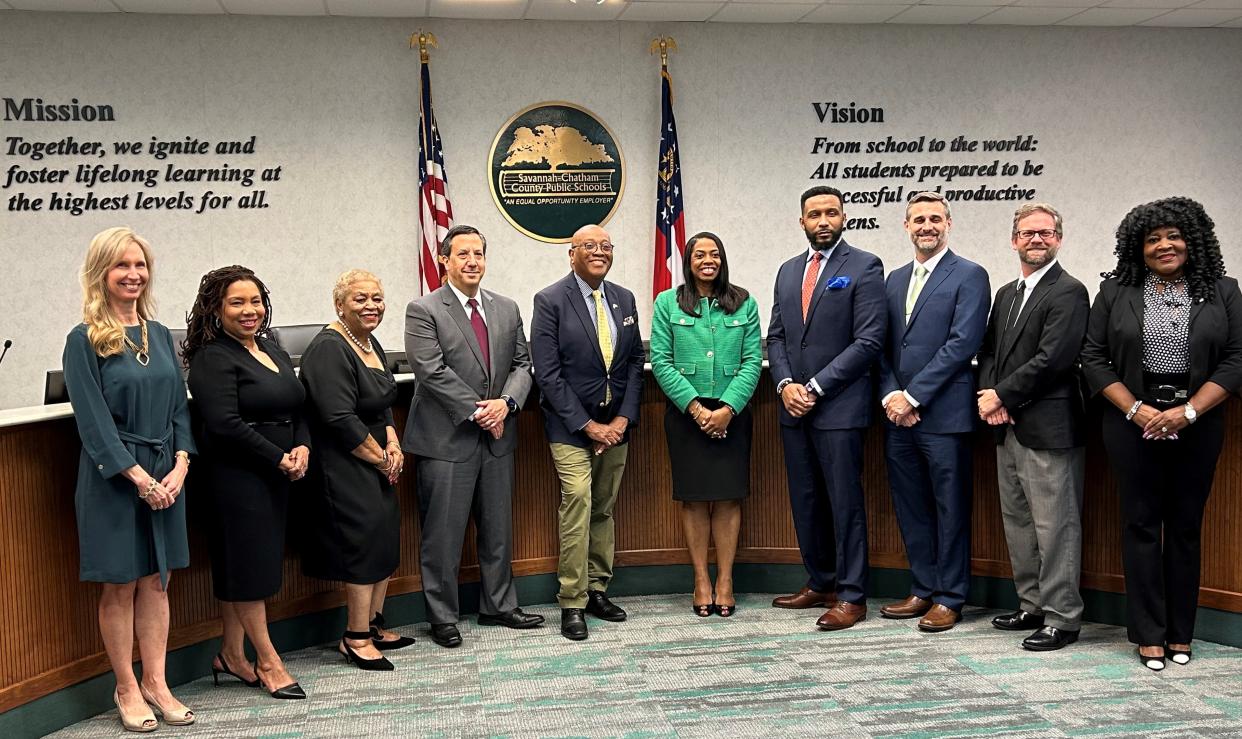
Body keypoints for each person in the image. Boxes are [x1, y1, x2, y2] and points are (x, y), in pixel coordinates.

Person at [1080, 196, 1242, 671]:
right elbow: (1093, 356)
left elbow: (1236, 359)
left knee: (1186, 528)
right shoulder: (1115, 292)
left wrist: (1188, 412)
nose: (1164, 245)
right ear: (1137, 246)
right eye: (1153, 238)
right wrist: (1136, 411)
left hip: (1200, 422)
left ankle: (1180, 634)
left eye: (1174, 236)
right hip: (1131, 423)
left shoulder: (1223, 290)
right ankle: (1148, 634)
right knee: (1141, 525)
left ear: (1193, 241)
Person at [62, 226, 196, 731]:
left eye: (140, 265)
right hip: (115, 483)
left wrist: (181, 465)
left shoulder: (160, 334)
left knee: (157, 584)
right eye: (122, 265)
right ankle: (125, 687)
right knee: (120, 587)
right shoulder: (83, 340)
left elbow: (181, 409)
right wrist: (140, 478)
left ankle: (157, 683)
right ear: (101, 273)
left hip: (169, 477)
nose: (133, 274)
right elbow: (93, 425)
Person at [402, 225, 543, 649]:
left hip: (498, 437)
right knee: (443, 534)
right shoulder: (423, 309)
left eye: (478, 253)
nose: (471, 261)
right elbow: (431, 369)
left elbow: (523, 364)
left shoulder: (506, 307)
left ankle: (498, 605)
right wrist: (481, 412)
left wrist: (507, 404)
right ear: (444, 261)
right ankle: (442, 616)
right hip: (446, 441)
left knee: (498, 529)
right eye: (462, 254)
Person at [183, 266, 309, 698]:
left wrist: (303, 447)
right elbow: (224, 424)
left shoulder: (270, 346)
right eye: (237, 302)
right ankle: (269, 662)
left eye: (255, 301)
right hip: (236, 478)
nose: (249, 310)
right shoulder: (211, 357)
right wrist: (279, 457)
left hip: (277, 475)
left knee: (251, 567)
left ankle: (231, 655)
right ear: (216, 309)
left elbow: (298, 406)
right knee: (248, 569)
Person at [766, 187, 886, 631]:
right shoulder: (788, 270)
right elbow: (776, 336)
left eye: (830, 213)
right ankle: (821, 581)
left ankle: (852, 596)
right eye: (813, 214)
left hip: (839, 406)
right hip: (793, 408)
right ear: (801, 221)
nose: (822, 220)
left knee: (844, 503)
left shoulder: (864, 266)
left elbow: (869, 341)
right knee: (806, 500)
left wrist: (814, 386)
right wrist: (783, 384)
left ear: (843, 218)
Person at [976, 204, 1090, 651]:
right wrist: (992, 398)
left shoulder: (1069, 291)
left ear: (1059, 238)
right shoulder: (1006, 293)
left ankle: (1064, 618)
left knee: (1055, 525)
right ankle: (1032, 605)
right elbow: (987, 353)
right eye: (1027, 233)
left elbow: (1054, 358)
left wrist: (1001, 395)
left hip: (1050, 428)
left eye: (1045, 232)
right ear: (1014, 240)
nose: (1036, 239)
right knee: (1019, 521)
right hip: (1006, 427)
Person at [879, 191, 990, 632]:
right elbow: (881, 346)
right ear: (906, 226)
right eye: (919, 219)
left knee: (949, 508)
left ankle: (950, 596)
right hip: (897, 418)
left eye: (935, 219)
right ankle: (923, 587)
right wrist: (892, 396)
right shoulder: (893, 279)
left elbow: (962, 344)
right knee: (911, 506)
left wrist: (913, 397)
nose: (927, 226)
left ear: (949, 224)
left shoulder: (970, 275)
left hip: (944, 417)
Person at [531, 223, 645, 641]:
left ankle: (598, 588)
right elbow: (548, 372)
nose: (599, 252)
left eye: (605, 246)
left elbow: (634, 362)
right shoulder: (550, 300)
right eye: (589, 246)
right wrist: (588, 425)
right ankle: (572, 600)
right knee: (578, 501)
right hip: (571, 427)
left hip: (616, 427)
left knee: (604, 506)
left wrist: (621, 420)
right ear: (572, 253)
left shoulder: (623, 298)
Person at [299, 269, 409, 671]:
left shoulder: (368, 340)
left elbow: (382, 403)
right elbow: (339, 417)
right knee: (362, 541)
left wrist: (394, 443)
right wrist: (381, 458)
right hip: (342, 462)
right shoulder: (330, 348)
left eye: (377, 298)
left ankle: (374, 623)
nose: (371, 305)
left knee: (383, 533)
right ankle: (355, 636)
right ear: (339, 304)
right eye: (360, 298)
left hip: (377, 455)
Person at [650, 232, 763, 618]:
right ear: (689, 260)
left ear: (723, 260)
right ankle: (701, 581)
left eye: (715, 254)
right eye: (700, 254)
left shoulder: (743, 303)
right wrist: (697, 410)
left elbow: (753, 361)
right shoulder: (668, 303)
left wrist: (728, 408)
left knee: (729, 498)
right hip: (687, 415)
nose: (708, 260)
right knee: (695, 499)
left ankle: (726, 582)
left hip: (733, 412)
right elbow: (661, 362)